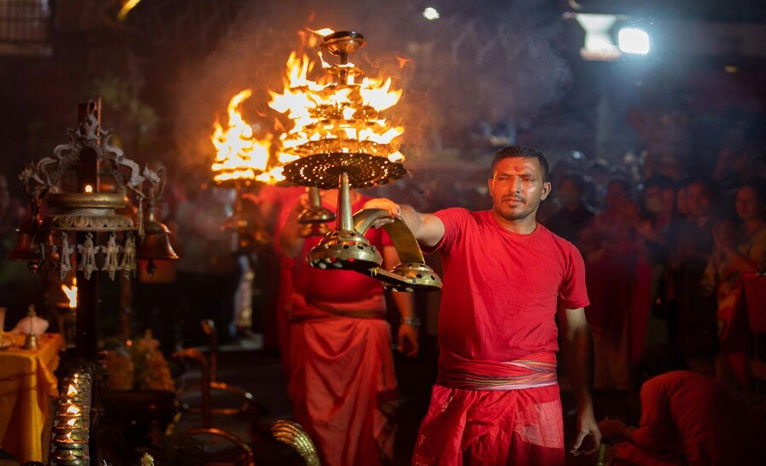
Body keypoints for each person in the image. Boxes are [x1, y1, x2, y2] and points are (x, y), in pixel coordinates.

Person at [364, 146, 600, 465]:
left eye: (526, 179)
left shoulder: (565, 253)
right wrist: (395, 212)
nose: (514, 187)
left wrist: (586, 407)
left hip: (534, 399)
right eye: (504, 177)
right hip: (463, 397)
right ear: (491, 185)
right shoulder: (463, 226)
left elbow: (576, 333)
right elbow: (419, 223)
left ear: (544, 190)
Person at [278, 188, 418, 466]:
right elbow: (288, 249)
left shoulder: (376, 209)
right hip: (315, 325)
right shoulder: (304, 206)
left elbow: (394, 267)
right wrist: (298, 215)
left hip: (365, 326)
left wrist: (409, 320)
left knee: (367, 415)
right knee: (316, 413)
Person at [598, 348, 761, 465]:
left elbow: (652, 439)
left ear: (645, 375)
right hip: (751, 456)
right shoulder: (695, 381)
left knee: (624, 452)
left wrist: (618, 430)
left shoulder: (653, 384)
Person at [702, 184, 766, 388]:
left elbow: (753, 271)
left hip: (750, 314)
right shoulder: (732, 232)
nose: (743, 206)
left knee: (747, 374)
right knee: (723, 372)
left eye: (750, 201)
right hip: (725, 314)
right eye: (739, 200)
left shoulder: (763, 236)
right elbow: (711, 275)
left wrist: (726, 247)